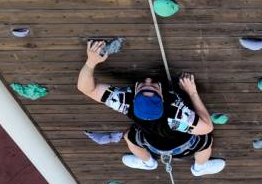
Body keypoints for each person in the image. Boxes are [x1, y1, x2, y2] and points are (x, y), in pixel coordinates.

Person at [76, 40, 225, 176]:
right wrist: (192, 92)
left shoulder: (126, 101)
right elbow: (207, 127)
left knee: (129, 136)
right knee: (205, 141)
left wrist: (91, 62)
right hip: (184, 146)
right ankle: (200, 168)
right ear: (162, 98)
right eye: (152, 87)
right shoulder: (175, 114)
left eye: (143, 87)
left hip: (150, 144)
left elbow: (86, 88)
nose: (148, 80)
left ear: (134, 99)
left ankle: (147, 163)